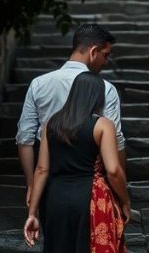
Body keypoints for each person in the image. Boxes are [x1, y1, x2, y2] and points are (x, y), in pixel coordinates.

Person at [24, 73, 130, 253]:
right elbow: (113, 170)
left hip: (56, 200)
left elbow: (42, 170)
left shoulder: (51, 126)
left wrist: (32, 213)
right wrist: (125, 201)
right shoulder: (101, 125)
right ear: (97, 98)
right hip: (90, 199)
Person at [16, 23, 125, 210]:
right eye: (105, 55)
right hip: (91, 184)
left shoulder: (38, 84)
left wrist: (32, 185)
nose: (105, 62)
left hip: (51, 180)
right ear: (93, 51)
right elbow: (116, 141)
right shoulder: (105, 89)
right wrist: (120, 192)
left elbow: (25, 139)